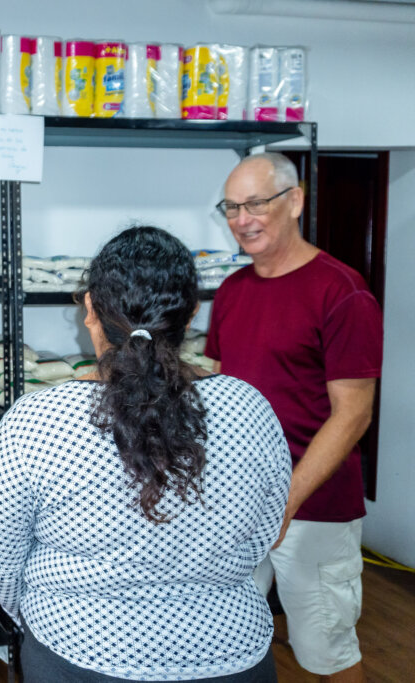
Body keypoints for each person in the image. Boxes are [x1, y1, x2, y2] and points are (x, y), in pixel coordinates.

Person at [0, 227, 292, 682]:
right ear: (192, 313)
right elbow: (265, 532)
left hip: (77, 652)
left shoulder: (36, 418)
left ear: (90, 310)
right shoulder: (248, 407)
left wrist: (43, 614)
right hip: (228, 651)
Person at [206, 152, 383, 682]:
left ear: (296, 201)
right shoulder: (233, 291)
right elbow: (220, 388)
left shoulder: (342, 291)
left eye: (256, 203)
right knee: (223, 638)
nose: (242, 219)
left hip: (314, 507)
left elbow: (353, 415)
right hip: (239, 502)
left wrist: (287, 499)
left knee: (326, 649)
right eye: (232, 207)